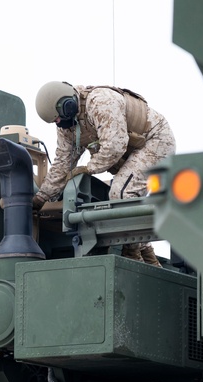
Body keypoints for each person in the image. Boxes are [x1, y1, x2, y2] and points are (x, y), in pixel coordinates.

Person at [31, 80, 175, 266]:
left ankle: (131, 253)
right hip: (132, 152)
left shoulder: (100, 102)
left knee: (122, 193)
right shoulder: (68, 127)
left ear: (67, 105)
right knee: (126, 196)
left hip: (156, 141)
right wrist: (41, 198)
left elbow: (115, 146)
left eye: (57, 118)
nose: (58, 123)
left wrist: (89, 168)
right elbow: (62, 163)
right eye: (54, 121)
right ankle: (148, 257)